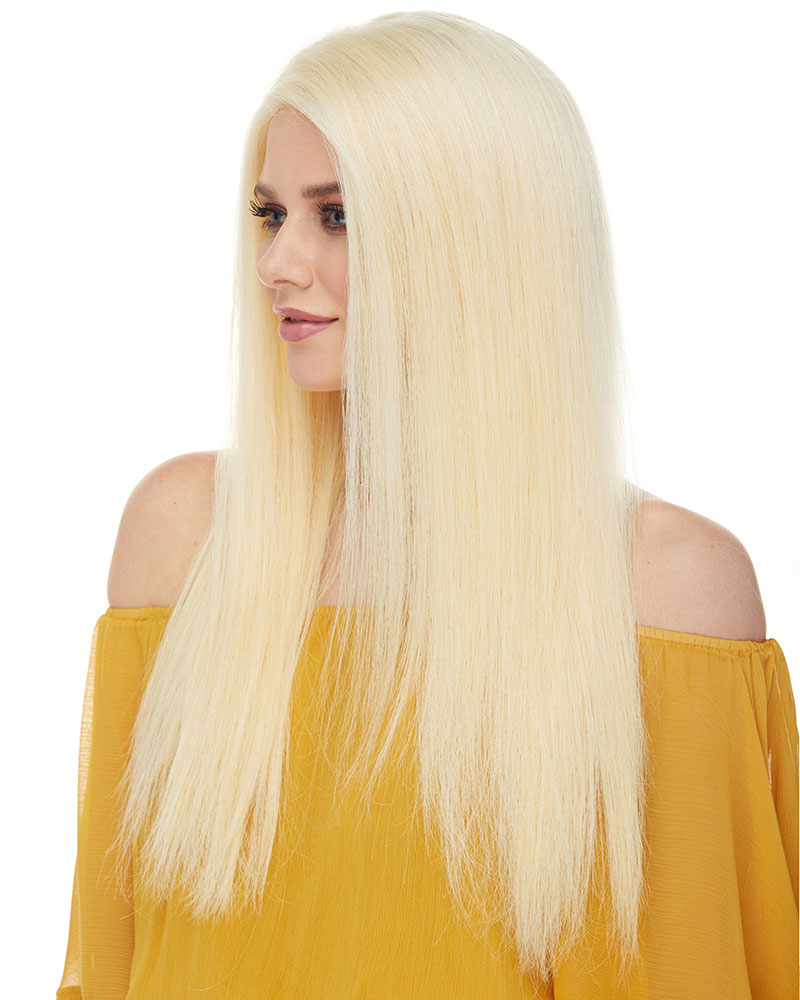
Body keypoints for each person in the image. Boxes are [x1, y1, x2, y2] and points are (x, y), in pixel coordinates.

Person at [56, 11, 797, 998]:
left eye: (337, 215)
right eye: (270, 213)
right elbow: (109, 963)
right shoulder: (184, 537)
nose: (275, 263)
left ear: (475, 238)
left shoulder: (664, 586)